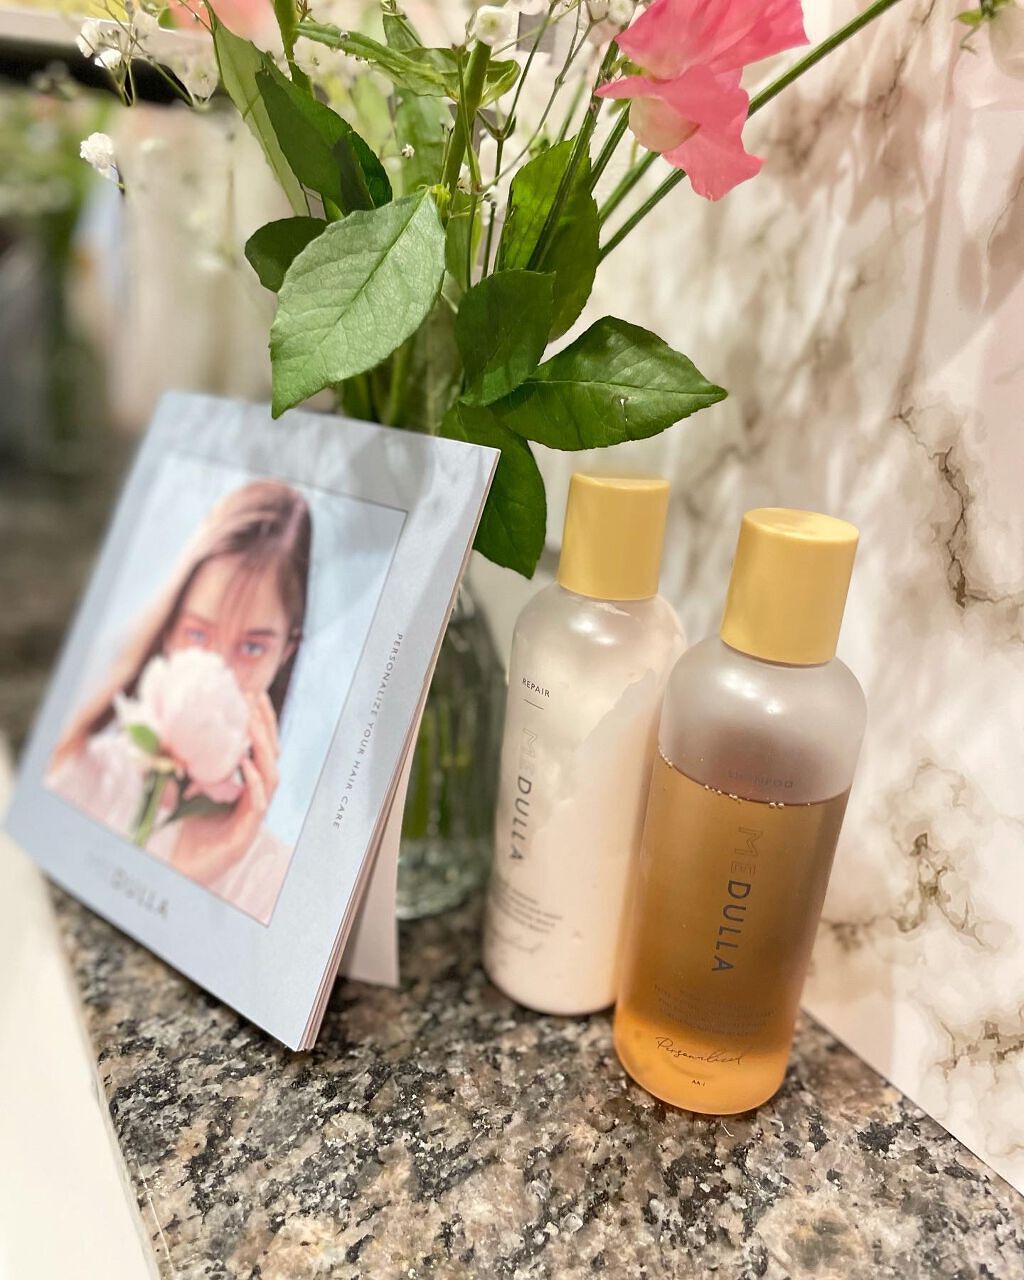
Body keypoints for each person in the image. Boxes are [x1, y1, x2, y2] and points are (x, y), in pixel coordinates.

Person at [47, 480, 312, 924]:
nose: (217, 671)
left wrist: (211, 860)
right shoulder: (81, 775)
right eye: (197, 634)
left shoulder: (274, 880)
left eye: (252, 648)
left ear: (285, 652)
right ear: (168, 630)